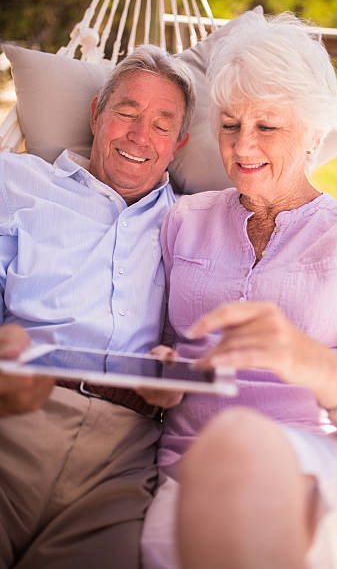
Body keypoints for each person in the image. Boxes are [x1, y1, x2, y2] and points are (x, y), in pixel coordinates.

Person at [140, 13, 337, 569]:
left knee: (245, 461)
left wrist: (311, 363)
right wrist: (161, 376)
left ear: (313, 133)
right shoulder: (182, 221)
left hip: (327, 453)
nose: (242, 147)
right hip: (190, 458)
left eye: (268, 127)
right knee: (168, 548)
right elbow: (162, 352)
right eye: (230, 124)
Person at [0, 45, 194, 568]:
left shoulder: (196, 227)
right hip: (16, 417)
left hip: (123, 457)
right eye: (126, 113)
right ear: (95, 114)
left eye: (160, 125)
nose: (138, 136)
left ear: (179, 145)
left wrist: (174, 372)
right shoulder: (15, 184)